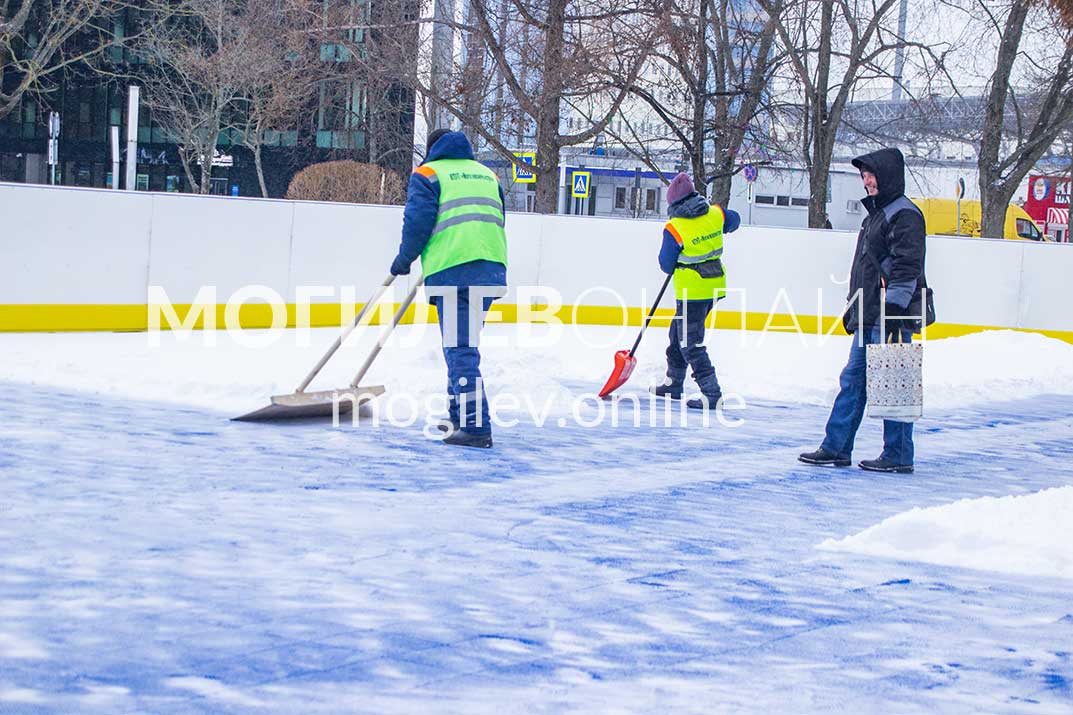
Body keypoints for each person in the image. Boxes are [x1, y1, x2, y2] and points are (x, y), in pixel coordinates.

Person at [799, 147, 934, 473]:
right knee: (853, 381)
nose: (866, 181)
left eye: (871, 174)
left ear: (887, 175)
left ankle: (899, 455)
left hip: (890, 315)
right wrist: (854, 308)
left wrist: (894, 310)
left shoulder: (905, 215)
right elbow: (866, 270)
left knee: (895, 381)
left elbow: (907, 267)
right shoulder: (876, 215)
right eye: (863, 176)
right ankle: (836, 447)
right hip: (870, 313)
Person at [389, 129, 507, 449]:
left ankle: (476, 427)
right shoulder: (487, 175)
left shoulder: (428, 174)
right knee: (461, 347)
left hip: (454, 271)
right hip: (490, 270)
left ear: (432, 150)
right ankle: (458, 416)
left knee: (460, 351)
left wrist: (405, 259)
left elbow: (418, 222)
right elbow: (495, 219)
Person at [649, 173, 741, 410]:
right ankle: (674, 383)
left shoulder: (675, 227)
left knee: (690, 343)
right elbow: (735, 220)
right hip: (713, 286)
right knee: (676, 334)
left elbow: (666, 264)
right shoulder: (715, 213)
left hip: (692, 290)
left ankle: (712, 394)